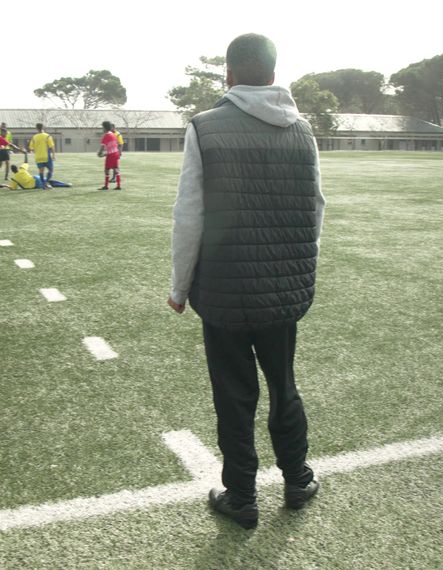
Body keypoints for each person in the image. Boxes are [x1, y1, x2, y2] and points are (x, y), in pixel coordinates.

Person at [167, 33, 325, 530]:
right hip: (282, 291)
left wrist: (179, 286)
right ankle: (297, 478)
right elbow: (316, 208)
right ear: (274, 76)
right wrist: (298, 270)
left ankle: (242, 496)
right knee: (284, 384)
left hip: (224, 290)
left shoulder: (206, 127)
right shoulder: (302, 130)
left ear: (229, 74)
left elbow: (189, 214)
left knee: (234, 394)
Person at [28, 123, 55, 189]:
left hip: (38, 157)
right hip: (46, 156)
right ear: (43, 127)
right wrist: (53, 155)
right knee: (51, 170)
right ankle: (45, 183)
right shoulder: (47, 136)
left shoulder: (34, 137)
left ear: (36, 128)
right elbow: (52, 146)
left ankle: (43, 185)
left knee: (41, 171)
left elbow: (31, 148)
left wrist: (35, 151)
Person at [7, 162, 72, 189]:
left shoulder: (13, 178)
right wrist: (25, 154)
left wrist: (6, 186)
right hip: (35, 178)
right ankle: (65, 184)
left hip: (34, 185)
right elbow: (26, 162)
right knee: (49, 181)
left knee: (49, 184)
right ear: (17, 168)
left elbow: (14, 188)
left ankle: (48, 186)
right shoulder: (22, 169)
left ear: (12, 171)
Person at [97, 120, 122, 190]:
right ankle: (118, 185)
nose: (102, 129)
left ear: (105, 128)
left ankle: (106, 186)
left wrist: (99, 153)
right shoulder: (113, 134)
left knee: (106, 169)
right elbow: (113, 146)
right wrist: (105, 154)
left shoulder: (106, 136)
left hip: (111, 155)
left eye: (102, 127)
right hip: (115, 153)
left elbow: (102, 146)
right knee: (116, 168)